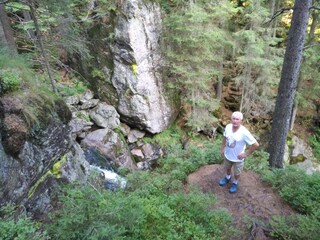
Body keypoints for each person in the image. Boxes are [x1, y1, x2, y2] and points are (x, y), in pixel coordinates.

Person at [219, 111, 259, 193]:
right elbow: (225, 138)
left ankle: (235, 182)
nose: (235, 121)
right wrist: (222, 148)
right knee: (227, 168)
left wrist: (245, 154)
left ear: (241, 121)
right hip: (228, 154)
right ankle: (227, 177)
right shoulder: (228, 127)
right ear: (231, 119)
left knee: (237, 172)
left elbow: (256, 144)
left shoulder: (244, 132)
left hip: (238, 158)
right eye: (233, 118)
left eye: (237, 119)